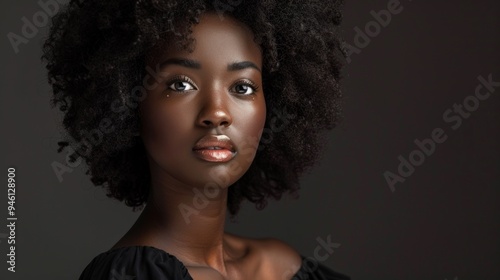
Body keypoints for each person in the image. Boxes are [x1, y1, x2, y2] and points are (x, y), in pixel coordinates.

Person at [43, 0, 349, 279]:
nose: (216, 113)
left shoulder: (286, 266)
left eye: (242, 87)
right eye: (181, 84)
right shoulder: (131, 275)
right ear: (127, 101)